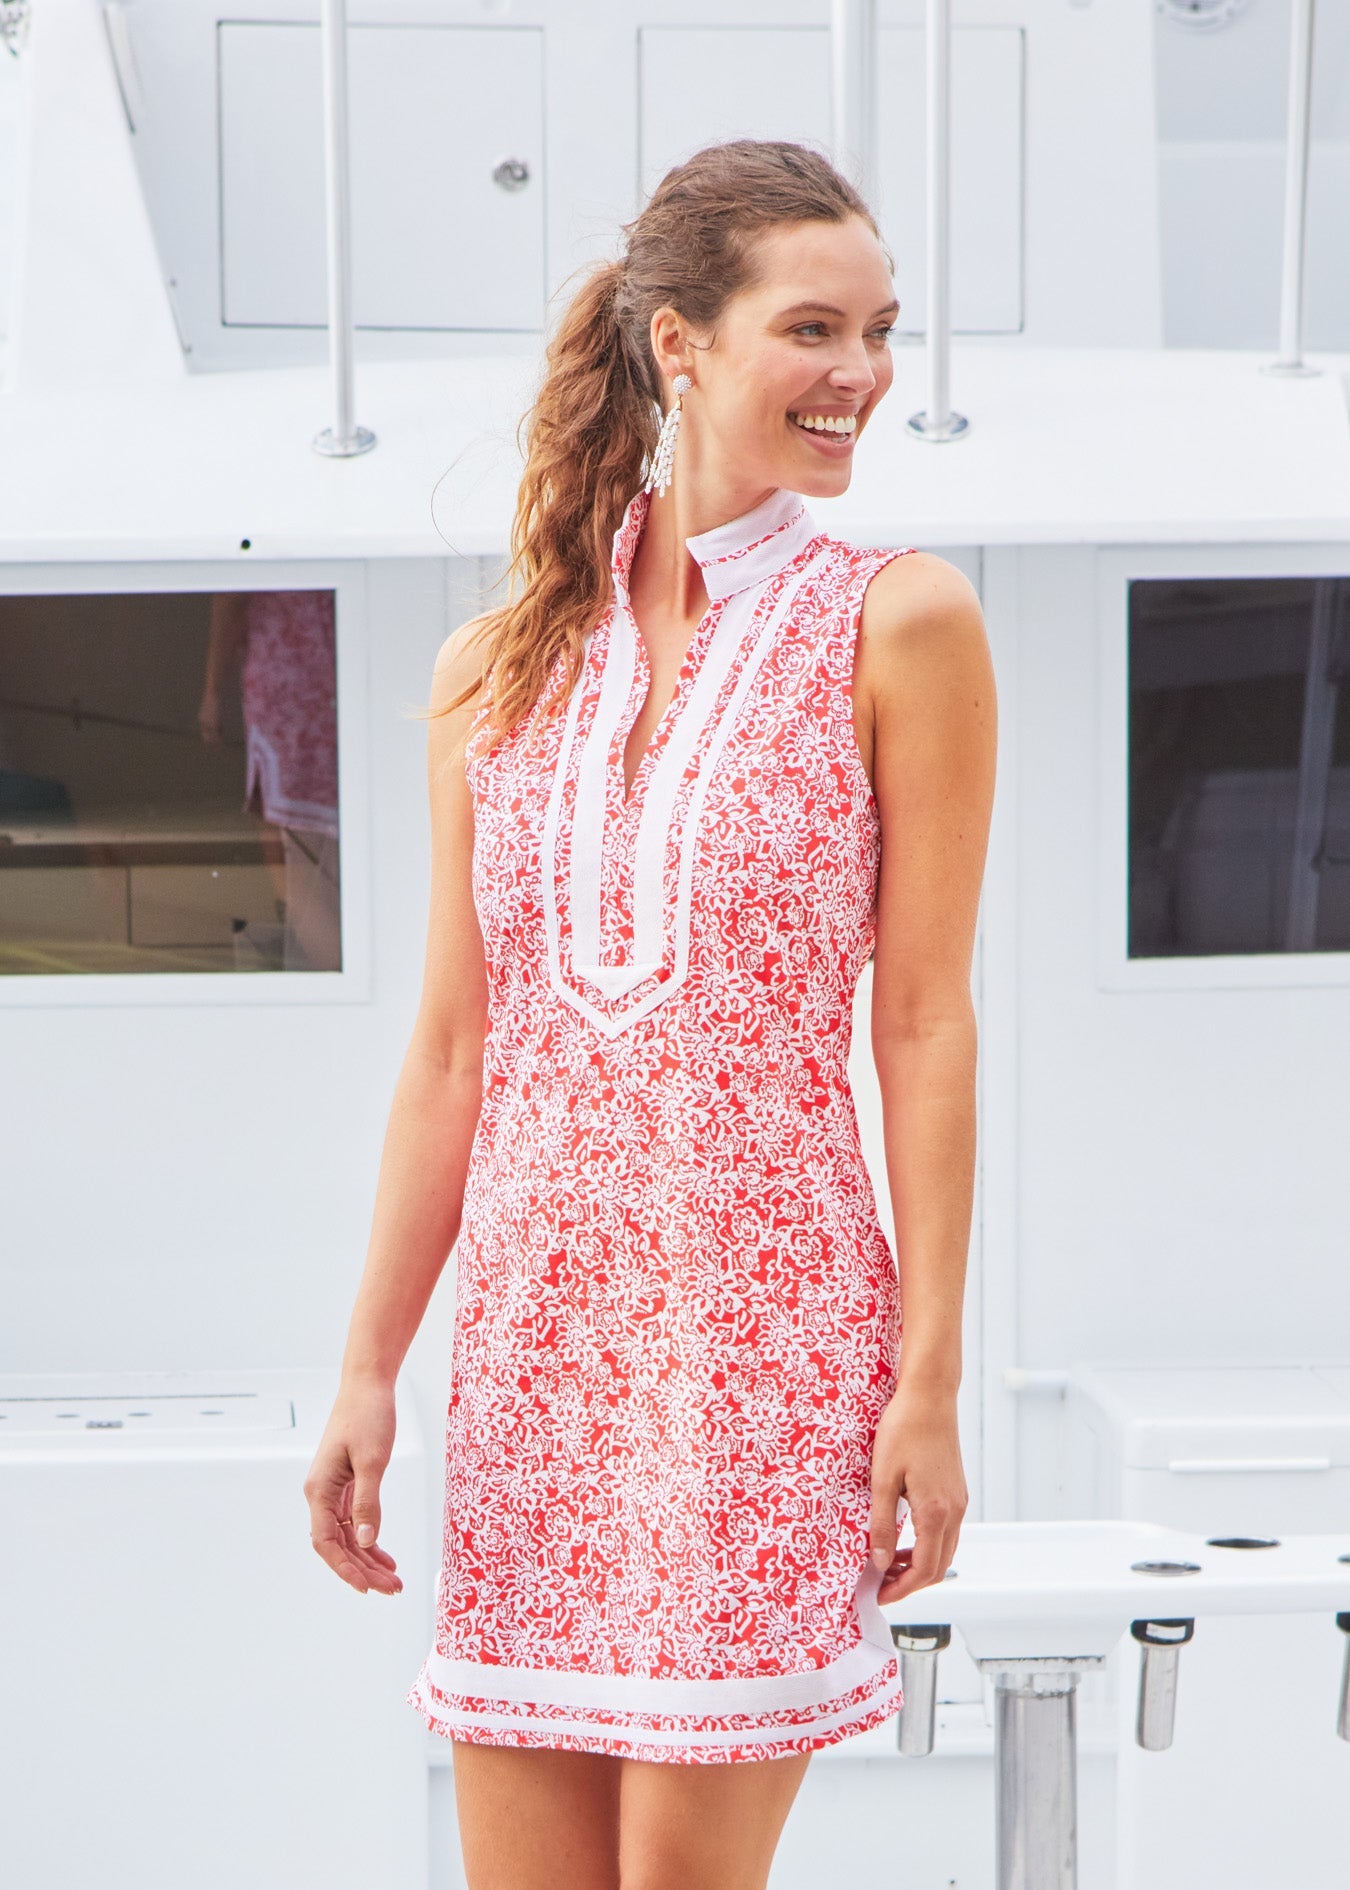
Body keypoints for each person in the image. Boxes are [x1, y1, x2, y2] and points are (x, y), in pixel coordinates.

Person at [303, 139, 996, 1890]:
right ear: (680, 343)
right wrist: (370, 1364)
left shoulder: (901, 622)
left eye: (880, 331)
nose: (861, 374)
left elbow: (923, 1025)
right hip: (535, 1365)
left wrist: (928, 1378)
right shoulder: (500, 665)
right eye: (813, 328)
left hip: (765, 1360)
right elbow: (453, 1051)